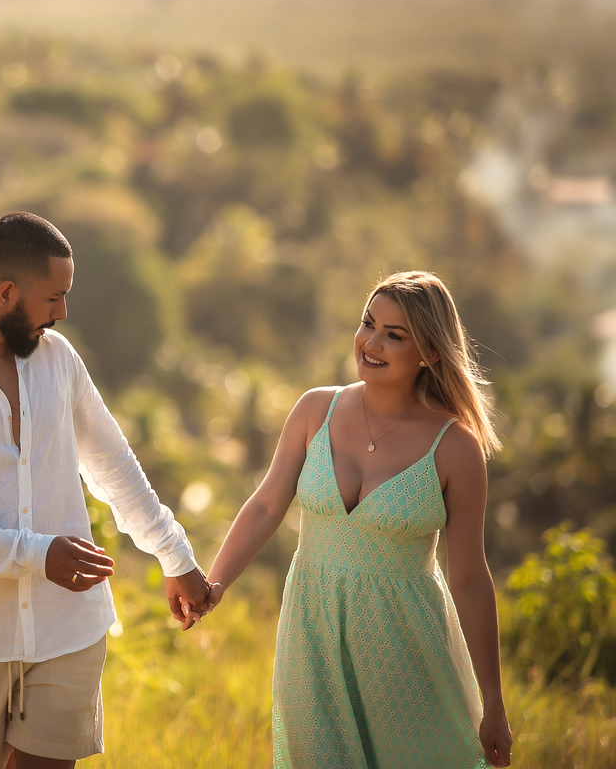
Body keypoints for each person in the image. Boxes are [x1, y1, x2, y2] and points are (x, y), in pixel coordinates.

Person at [0, 211, 211, 769]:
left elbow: (112, 465)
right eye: (53, 299)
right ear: (6, 292)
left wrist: (174, 556)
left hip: (69, 625)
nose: (61, 315)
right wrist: (35, 554)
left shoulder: (58, 360)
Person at [201, 271, 513, 768]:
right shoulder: (314, 411)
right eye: (368, 324)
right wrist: (214, 583)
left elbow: (470, 579)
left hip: (406, 651)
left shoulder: (455, 447)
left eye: (395, 335)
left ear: (430, 353)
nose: (371, 342)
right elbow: (265, 505)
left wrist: (494, 701)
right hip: (312, 638)